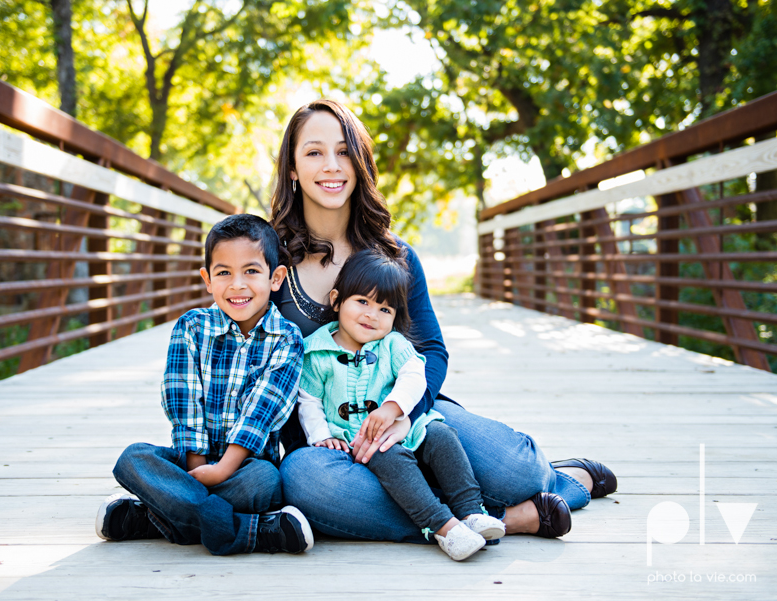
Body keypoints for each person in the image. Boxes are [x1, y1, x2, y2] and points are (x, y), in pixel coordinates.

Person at [270, 99, 618, 544]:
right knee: (309, 486)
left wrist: (403, 414)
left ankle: (555, 482)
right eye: (314, 152)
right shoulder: (271, 259)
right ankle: (503, 518)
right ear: (293, 168)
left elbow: (431, 352)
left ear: (359, 163)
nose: (332, 166)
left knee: (517, 470)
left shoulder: (396, 256)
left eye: (344, 151)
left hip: (412, 415)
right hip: (328, 444)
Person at [95, 213, 314, 556]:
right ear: (207, 279)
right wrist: (198, 467)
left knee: (266, 482)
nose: (237, 284)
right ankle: (247, 532)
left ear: (276, 278)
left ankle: (153, 517)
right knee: (133, 459)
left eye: (251, 271)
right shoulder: (192, 327)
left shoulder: (287, 339)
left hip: (243, 468)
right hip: (189, 464)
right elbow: (182, 400)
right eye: (224, 272)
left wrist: (223, 469)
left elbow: (263, 412)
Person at [298, 248, 507, 560]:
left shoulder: (393, 344)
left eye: (385, 310)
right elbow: (309, 399)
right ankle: (442, 526)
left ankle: (471, 512)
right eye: (362, 302)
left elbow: (413, 374)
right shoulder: (317, 351)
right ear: (336, 300)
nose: (372, 315)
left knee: (442, 436)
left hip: (404, 426)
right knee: (388, 456)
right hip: (359, 441)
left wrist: (393, 408)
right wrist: (320, 435)